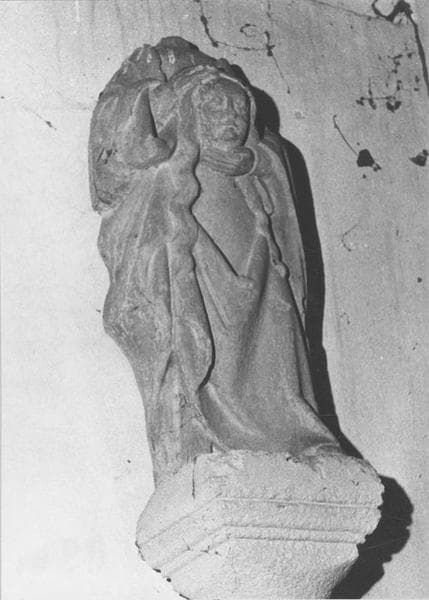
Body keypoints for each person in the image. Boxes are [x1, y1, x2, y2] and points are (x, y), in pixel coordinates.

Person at [89, 38, 340, 483]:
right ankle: (209, 431)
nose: (231, 118)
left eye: (238, 108)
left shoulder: (258, 174)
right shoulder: (174, 177)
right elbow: (122, 178)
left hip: (262, 291)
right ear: (190, 114)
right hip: (202, 292)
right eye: (216, 107)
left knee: (277, 322)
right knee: (204, 350)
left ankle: (289, 426)